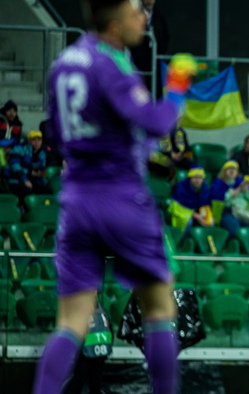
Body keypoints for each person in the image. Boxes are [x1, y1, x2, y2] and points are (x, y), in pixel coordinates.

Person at [32, 1, 198, 392]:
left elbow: (54, 133)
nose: (144, 19)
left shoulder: (63, 62)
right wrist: (176, 88)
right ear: (117, 19)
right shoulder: (111, 64)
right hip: (121, 197)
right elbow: (156, 122)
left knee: (71, 321)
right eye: (138, 11)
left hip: (76, 204)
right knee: (159, 307)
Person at [64, 303, 112, 394]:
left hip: (96, 354)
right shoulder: (101, 311)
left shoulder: (101, 311)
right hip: (88, 353)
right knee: (79, 383)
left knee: (93, 385)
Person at [129, 0, 169, 96]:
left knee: (154, 95)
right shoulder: (134, 15)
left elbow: (165, 37)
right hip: (137, 64)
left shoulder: (159, 16)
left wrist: (158, 51)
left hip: (154, 64)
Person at [211, 160, 249, 236]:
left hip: (242, 211)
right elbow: (216, 197)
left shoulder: (241, 182)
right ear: (224, 171)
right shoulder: (218, 183)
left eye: (234, 169)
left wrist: (246, 191)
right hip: (227, 211)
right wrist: (230, 194)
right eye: (229, 168)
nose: (232, 171)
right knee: (234, 229)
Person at [7, 130, 53, 203]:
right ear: (29, 140)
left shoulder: (42, 154)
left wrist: (40, 174)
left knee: (48, 192)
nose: (36, 143)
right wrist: (26, 178)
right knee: (29, 193)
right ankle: (23, 211)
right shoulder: (19, 149)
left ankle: (41, 211)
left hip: (32, 181)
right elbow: (15, 166)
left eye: (39, 140)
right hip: (16, 180)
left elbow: (44, 172)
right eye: (34, 140)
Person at [169, 164, 213, 233]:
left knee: (211, 223)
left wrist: (207, 216)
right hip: (183, 213)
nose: (197, 180)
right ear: (190, 178)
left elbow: (206, 205)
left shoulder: (205, 189)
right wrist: (196, 215)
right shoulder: (182, 187)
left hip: (198, 214)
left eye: (200, 177)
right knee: (188, 222)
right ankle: (184, 241)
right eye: (195, 177)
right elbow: (180, 207)